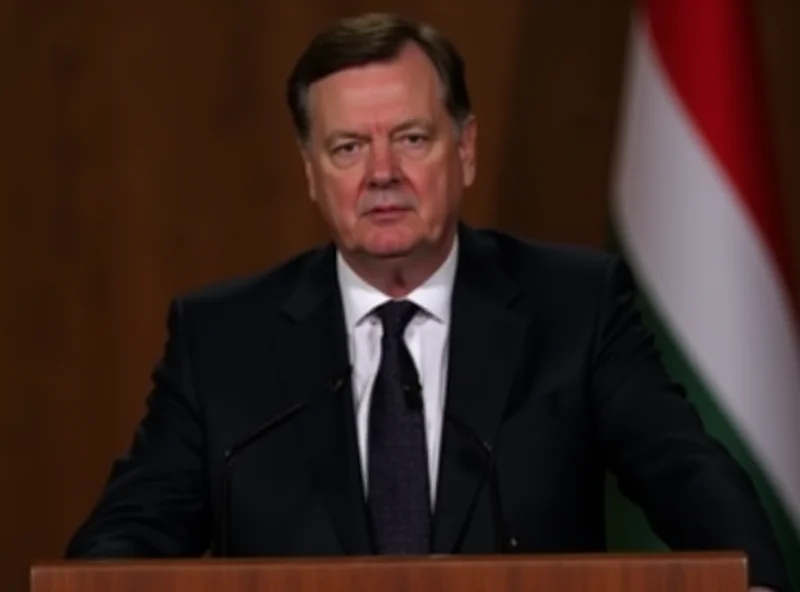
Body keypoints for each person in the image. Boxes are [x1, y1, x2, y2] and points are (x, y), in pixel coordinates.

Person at [65, 12, 790, 592]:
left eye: (411, 138)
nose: (382, 173)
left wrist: (754, 582)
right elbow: (126, 536)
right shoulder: (223, 338)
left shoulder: (574, 308)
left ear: (465, 150)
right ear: (311, 174)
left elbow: (690, 475)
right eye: (348, 148)